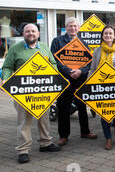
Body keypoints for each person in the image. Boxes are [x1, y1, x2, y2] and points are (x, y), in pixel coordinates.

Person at [1, 24, 61, 163]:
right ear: (23, 33)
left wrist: (54, 74)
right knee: (24, 121)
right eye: (28, 31)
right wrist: (5, 79)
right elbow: (7, 67)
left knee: (44, 118)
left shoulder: (45, 47)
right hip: (23, 92)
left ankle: (45, 143)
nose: (31, 33)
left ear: (38, 34)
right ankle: (23, 150)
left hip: (43, 92)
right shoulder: (15, 49)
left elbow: (53, 63)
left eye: (33, 31)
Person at [51, 17, 97, 147]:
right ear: (66, 27)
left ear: (79, 28)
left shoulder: (84, 42)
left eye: (75, 26)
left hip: (80, 79)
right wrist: (70, 71)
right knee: (63, 107)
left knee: (82, 106)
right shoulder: (57, 41)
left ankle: (85, 131)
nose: (73, 28)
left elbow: (89, 61)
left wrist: (81, 71)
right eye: (70, 26)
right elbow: (55, 61)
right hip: (65, 79)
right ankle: (63, 136)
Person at [89, 25, 115, 150]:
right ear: (102, 36)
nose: (108, 35)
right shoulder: (97, 51)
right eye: (105, 33)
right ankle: (108, 139)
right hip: (102, 87)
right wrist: (88, 83)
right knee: (105, 114)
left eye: (110, 33)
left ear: (114, 36)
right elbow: (93, 68)